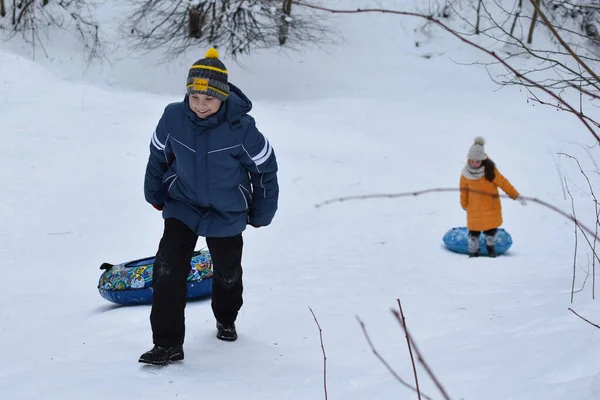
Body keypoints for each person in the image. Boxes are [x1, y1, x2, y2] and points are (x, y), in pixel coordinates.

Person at [139, 48, 279, 365]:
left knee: (227, 272)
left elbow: (265, 171)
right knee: (167, 270)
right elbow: (158, 156)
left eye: (209, 99)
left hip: (226, 210)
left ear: (223, 98)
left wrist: (261, 212)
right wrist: (155, 193)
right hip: (183, 204)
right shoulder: (173, 117)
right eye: (195, 98)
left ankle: (226, 317)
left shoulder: (242, 129)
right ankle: (167, 344)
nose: (201, 106)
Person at [460, 136, 525, 258]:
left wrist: (515, 195)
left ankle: (491, 247)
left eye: (477, 161)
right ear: (468, 160)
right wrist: (464, 203)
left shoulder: (490, 171)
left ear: (482, 160)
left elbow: (503, 183)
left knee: (490, 229)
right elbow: (463, 190)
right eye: (472, 161)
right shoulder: (465, 173)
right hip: (474, 208)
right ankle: (473, 251)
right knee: (474, 231)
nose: (474, 164)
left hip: (490, 206)